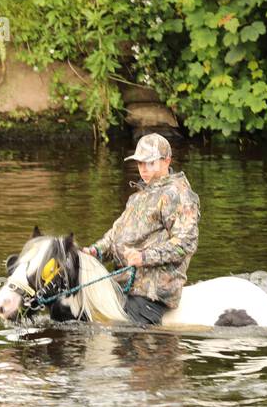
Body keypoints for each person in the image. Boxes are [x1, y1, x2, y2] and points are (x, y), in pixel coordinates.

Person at [82, 133, 199, 327]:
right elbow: (114, 237)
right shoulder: (138, 197)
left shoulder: (178, 194)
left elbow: (186, 243)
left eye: (150, 163)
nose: (143, 169)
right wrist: (94, 251)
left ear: (166, 161)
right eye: (140, 163)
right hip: (123, 286)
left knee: (123, 334)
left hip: (153, 293)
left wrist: (144, 257)